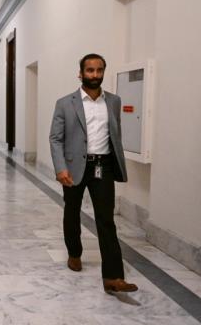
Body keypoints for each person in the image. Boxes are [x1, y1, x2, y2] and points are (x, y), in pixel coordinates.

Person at [49, 53, 138, 293]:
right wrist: (60, 168)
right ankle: (74, 252)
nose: (95, 75)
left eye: (99, 70)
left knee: (106, 219)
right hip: (74, 166)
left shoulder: (114, 101)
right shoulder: (65, 103)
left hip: (103, 165)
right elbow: (56, 138)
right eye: (90, 70)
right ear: (81, 73)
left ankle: (113, 276)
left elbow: (114, 134)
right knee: (72, 212)